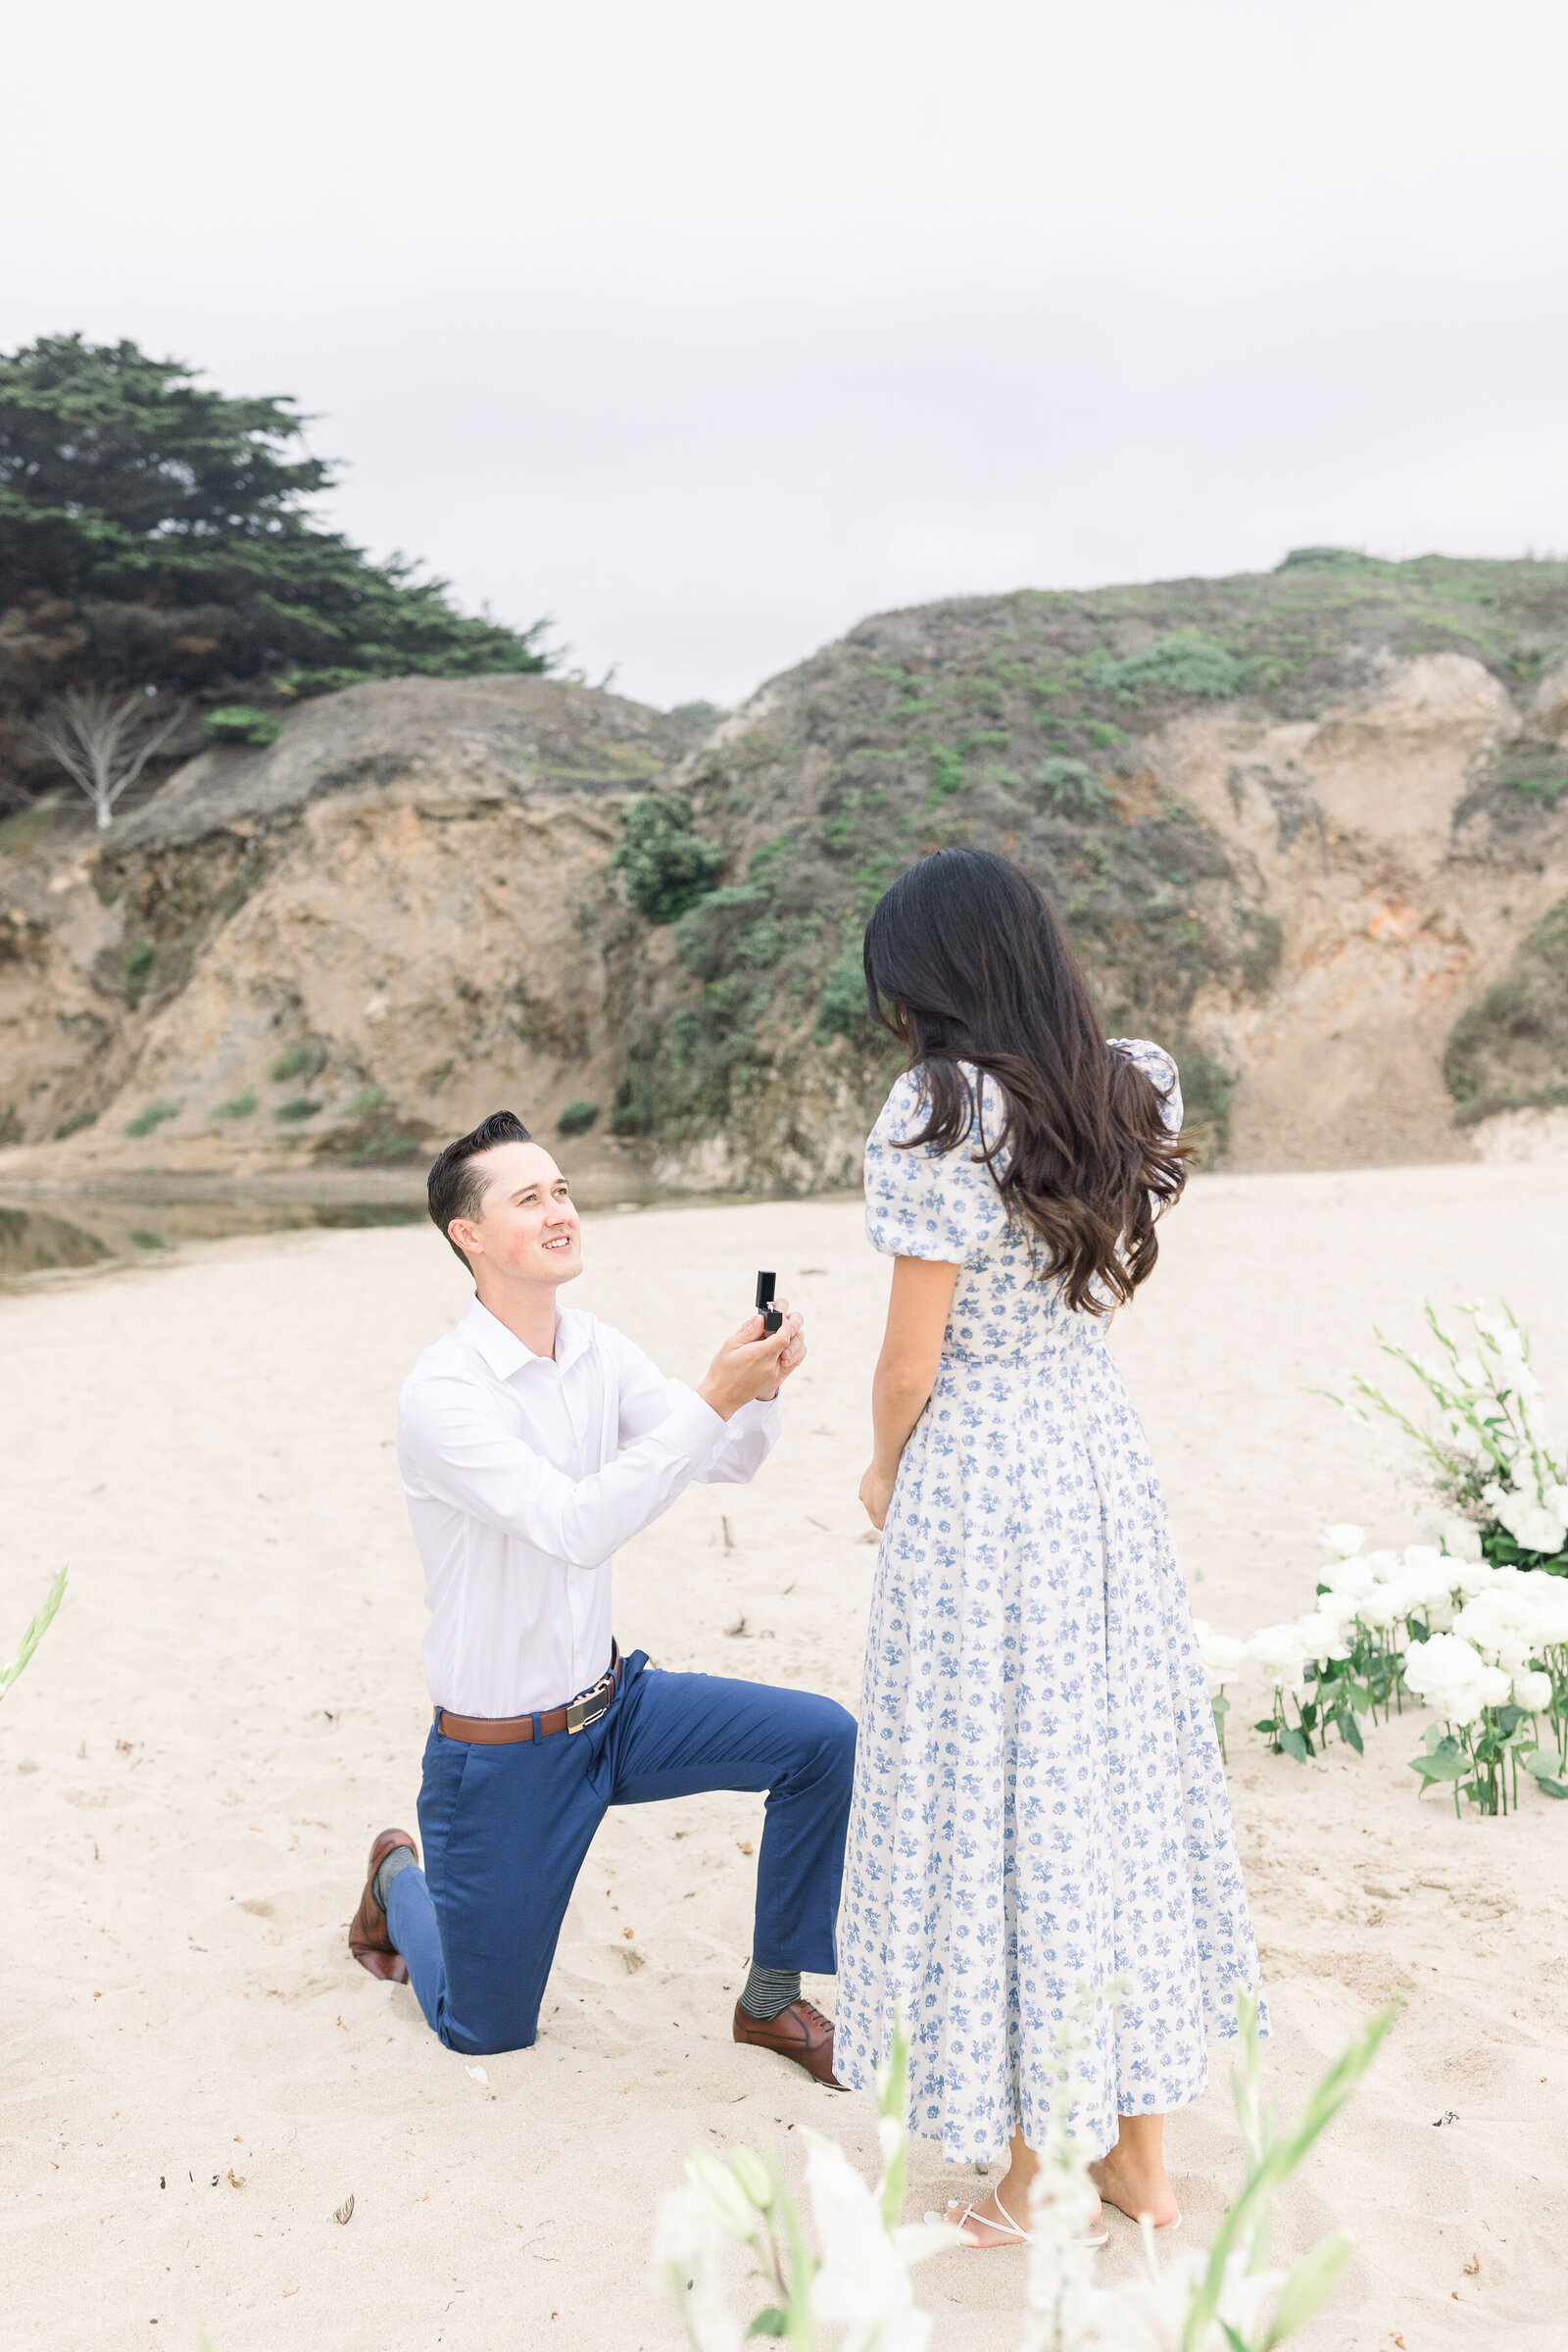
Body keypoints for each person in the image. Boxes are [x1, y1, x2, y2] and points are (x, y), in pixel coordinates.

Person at [831, 849, 1264, 2247]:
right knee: (1107, 1786)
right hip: (1095, 1461)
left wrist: (886, 1469)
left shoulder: (938, 1107)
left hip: (981, 1483)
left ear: (934, 979)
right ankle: (1139, 2159)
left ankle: (1041, 2174)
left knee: (998, 1802)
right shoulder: (1133, 1077)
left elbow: (911, 1362)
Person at [347, 1110, 856, 2081]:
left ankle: (772, 2000)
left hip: (615, 1707)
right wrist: (710, 1397)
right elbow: (576, 1524)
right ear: (468, 1235)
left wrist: (759, 1386)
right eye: (528, 1197)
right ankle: (394, 1872)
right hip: (500, 1757)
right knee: (482, 2029)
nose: (558, 1210)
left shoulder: (596, 1349)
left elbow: (730, 1460)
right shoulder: (445, 1393)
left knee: (822, 1740)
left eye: (563, 1190)